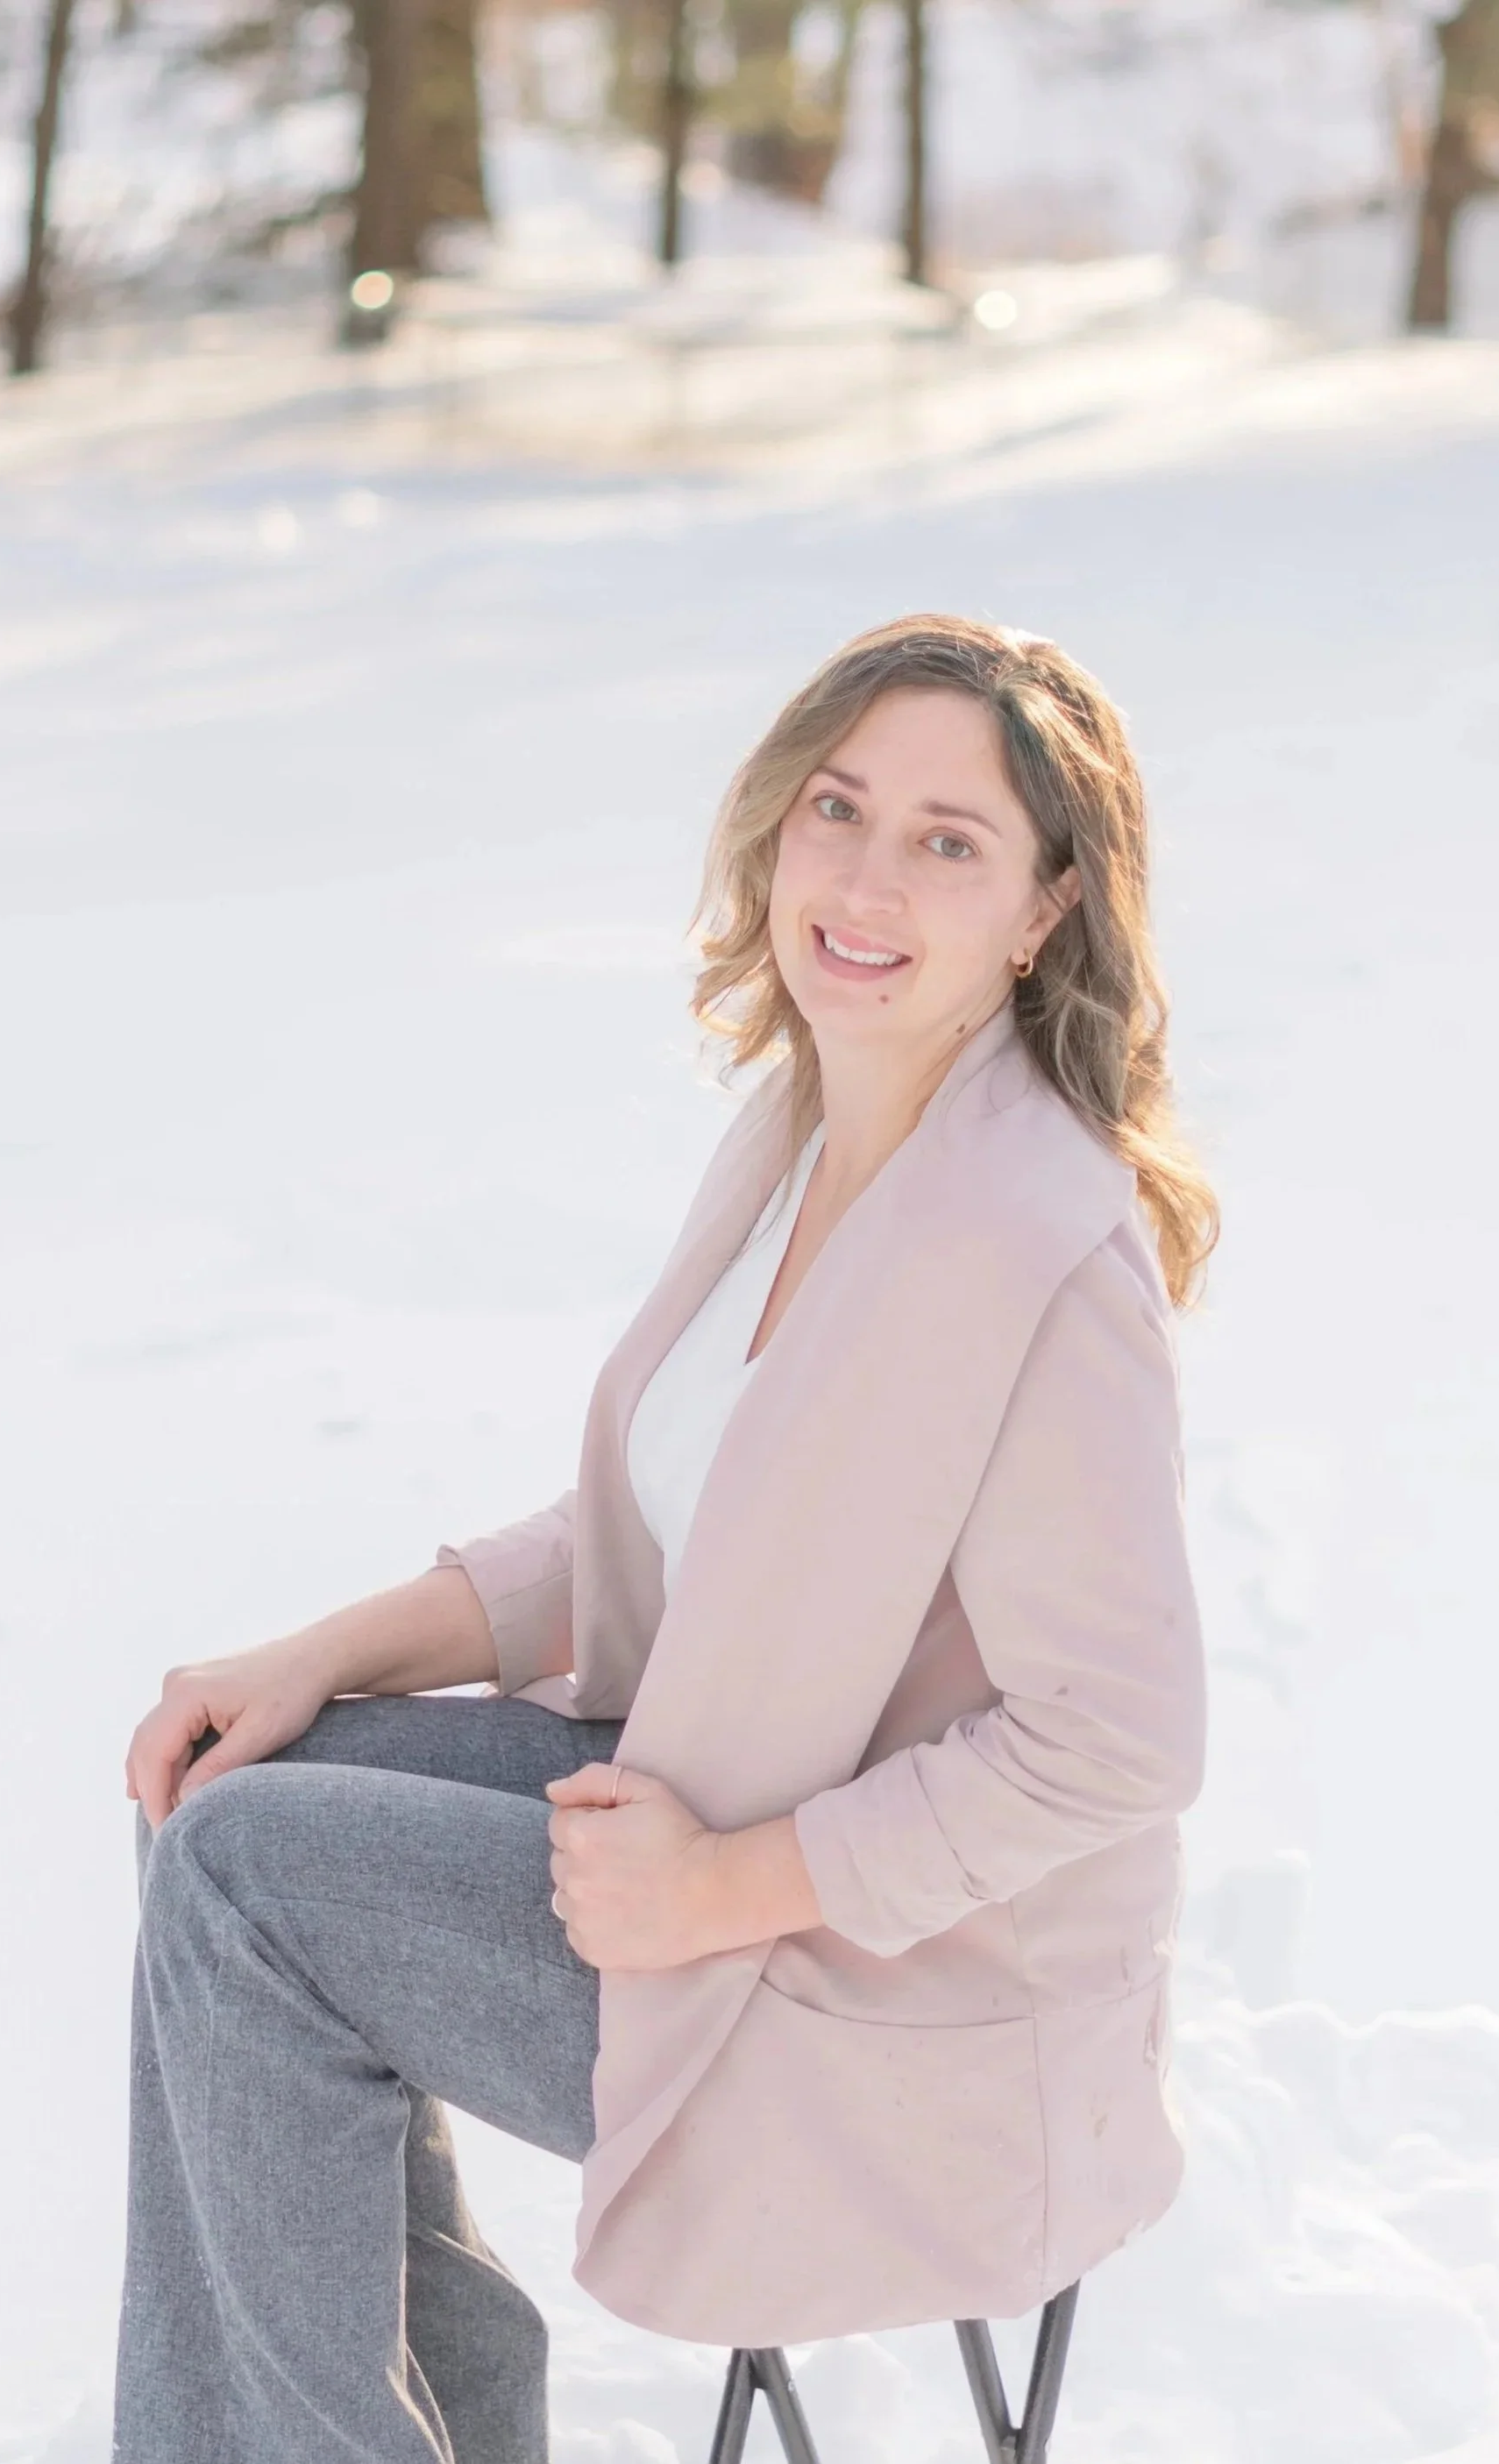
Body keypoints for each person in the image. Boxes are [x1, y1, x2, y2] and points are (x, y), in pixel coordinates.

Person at [113, 615, 1216, 2463]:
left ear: (1043, 908)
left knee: (251, 1888)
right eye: (837, 808)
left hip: (891, 2007)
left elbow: (1117, 1742)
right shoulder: (812, 1123)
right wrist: (319, 1655)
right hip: (713, 1823)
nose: (863, 880)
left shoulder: (1034, 1246)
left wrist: (725, 1888)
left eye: (947, 841)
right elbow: (679, 1520)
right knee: (227, 1797)